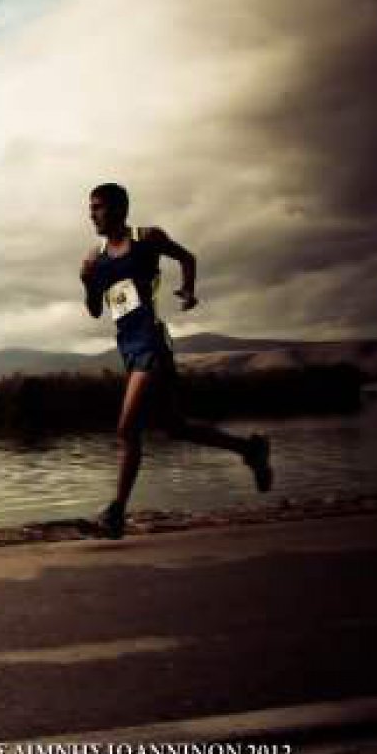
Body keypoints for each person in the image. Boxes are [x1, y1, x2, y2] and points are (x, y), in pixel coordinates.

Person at [80, 182, 271, 539]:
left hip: (153, 345)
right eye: (90, 208)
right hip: (129, 350)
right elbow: (95, 310)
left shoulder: (147, 239)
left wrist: (189, 290)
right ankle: (250, 448)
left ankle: (116, 514)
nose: (92, 215)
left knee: (127, 429)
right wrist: (87, 283)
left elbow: (187, 258)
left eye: (98, 207)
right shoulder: (96, 259)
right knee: (176, 428)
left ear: (119, 209)